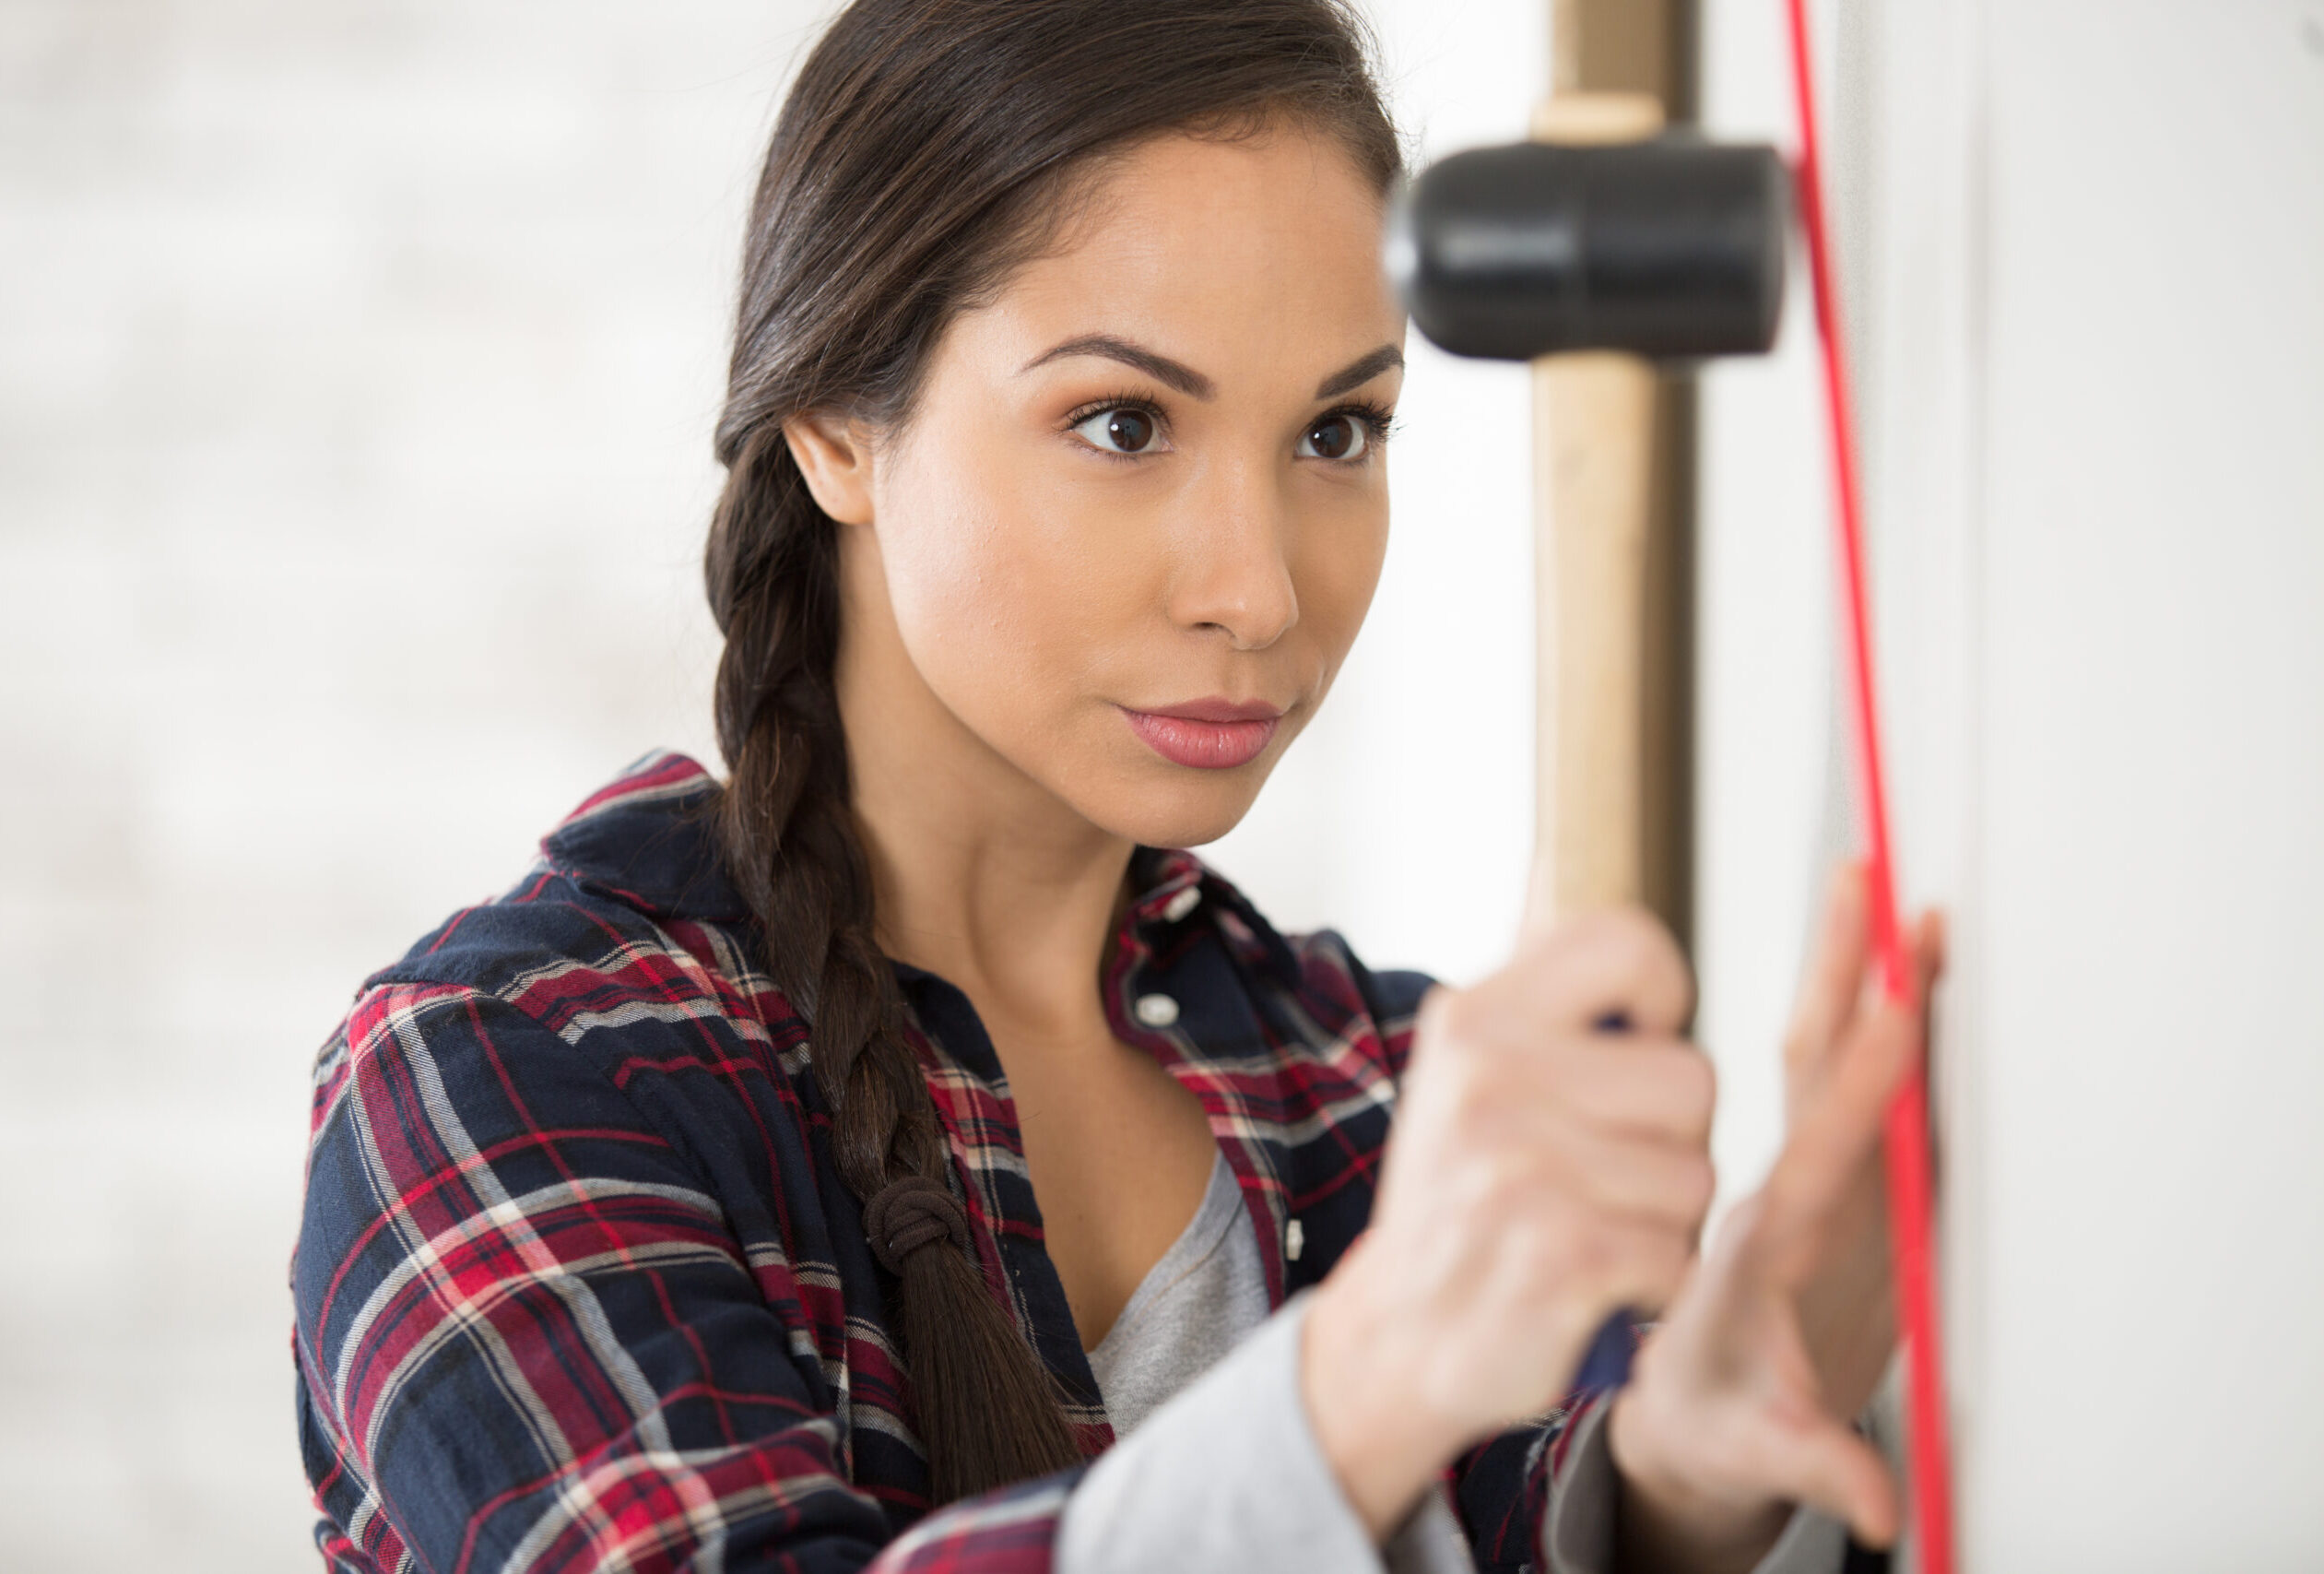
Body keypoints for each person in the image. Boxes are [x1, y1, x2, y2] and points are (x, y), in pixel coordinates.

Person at [291, 3, 1943, 1570]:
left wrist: (1696, 1467)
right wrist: (1366, 1377)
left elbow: (1538, 1519)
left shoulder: (1381, 1083)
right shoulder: (505, 1074)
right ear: (833, 428)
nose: (1259, 592)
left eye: (1336, 434)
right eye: (1122, 422)